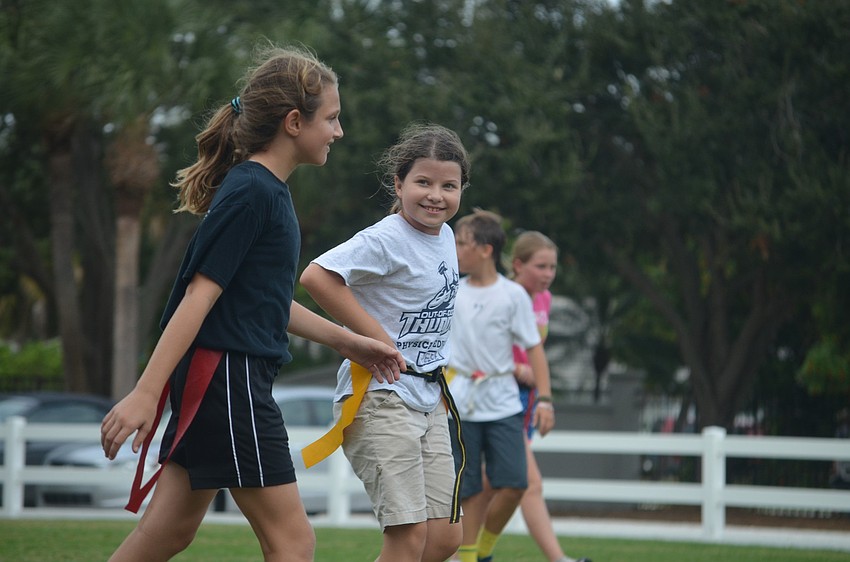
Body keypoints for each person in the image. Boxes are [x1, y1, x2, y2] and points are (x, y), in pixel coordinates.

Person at [99, 45, 405, 562]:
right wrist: (145, 394)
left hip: (223, 377)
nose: (338, 131)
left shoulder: (270, 192)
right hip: (227, 379)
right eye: (331, 118)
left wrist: (350, 341)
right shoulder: (252, 192)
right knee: (294, 542)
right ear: (293, 121)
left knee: (167, 534)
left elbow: (265, 302)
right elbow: (198, 297)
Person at [299, 123, 471, 562]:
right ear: (399, 183)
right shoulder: (386, 237)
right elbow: (317, 276)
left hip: (430, 398)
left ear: (461, 190)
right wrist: (372, 339)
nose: (436, 195)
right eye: (423, 182)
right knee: (408, 538)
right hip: (381, 398)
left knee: (446, 538)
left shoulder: (447, 236)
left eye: (448, 186)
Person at [447, 210, 556, 562]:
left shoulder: (512, 296)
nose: (455, 250)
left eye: (462, 243)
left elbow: (534, 349)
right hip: (461, 403)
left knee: (515, 483)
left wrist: (545, 400)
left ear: (485, 250)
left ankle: (484, 550)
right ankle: (469, 558)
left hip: (505, 403)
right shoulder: (451, 290)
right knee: (472, 489)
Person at [502, 231, 591, 562]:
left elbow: (534, 350)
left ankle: (463, 553)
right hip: (497, 398)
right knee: (529, 482)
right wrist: (512, 367)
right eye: (541, 266)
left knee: (491, 485)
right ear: (518, 265)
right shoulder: (504, 295)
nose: (548, 274)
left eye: (552, 267)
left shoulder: (545, 299)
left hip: (525, 399)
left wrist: (542, 396)